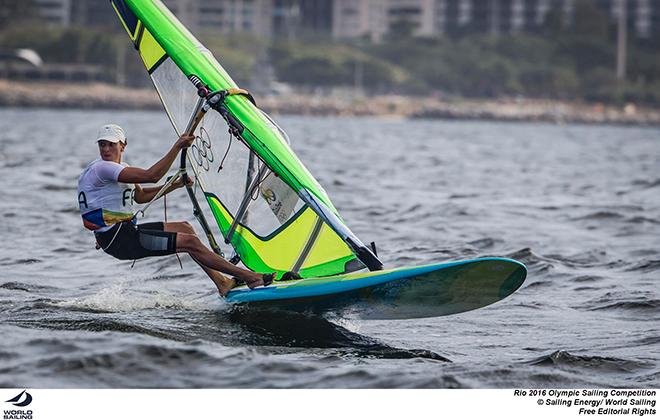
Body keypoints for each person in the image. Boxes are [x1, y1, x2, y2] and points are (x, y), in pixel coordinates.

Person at [77, 124, 272, 296]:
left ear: (123, 145)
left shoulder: (119, 168)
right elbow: (152, 176)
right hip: (119, 239)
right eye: (102, 144)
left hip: (123, 233)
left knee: (186, 228)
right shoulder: (102, 168)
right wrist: (177, 147)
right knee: (190, 242)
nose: (106, 149)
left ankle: (222, 282)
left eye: (112, 144)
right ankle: (250, 277)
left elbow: (140, 196)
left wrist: (174, 185)